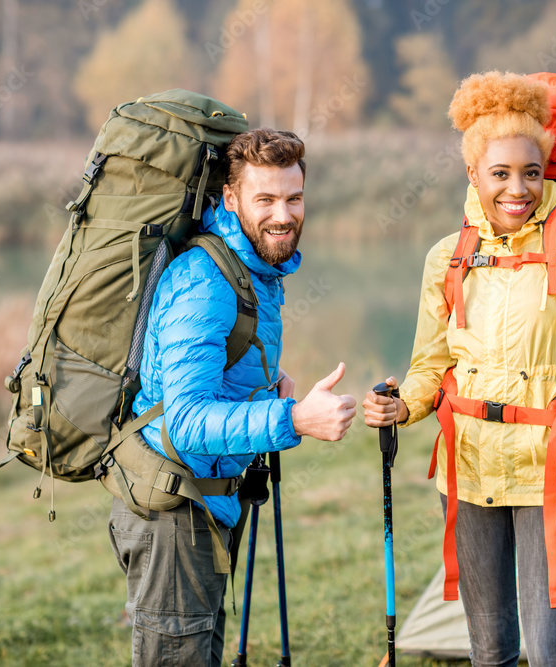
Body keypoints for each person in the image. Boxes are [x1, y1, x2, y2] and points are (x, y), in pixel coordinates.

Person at [363, 72, 556, 667]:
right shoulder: (447, 256)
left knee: (550, 651)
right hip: (468, 469)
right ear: (473, 175)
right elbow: (429, 363)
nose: (517, 188)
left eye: (530, 172)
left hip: (548, 468)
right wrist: (402, 405)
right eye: (500, 174)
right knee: (489, 649)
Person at [108, 128, 357, 667]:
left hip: (203, 502)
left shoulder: (250, 266)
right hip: (175, 509)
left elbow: (211, 359)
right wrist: (293, 418)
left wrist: (268, 378)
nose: (283, 215)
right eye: (265, 199)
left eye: (293, 198)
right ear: (230, 199)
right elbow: (188, 421)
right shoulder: (206, 280)